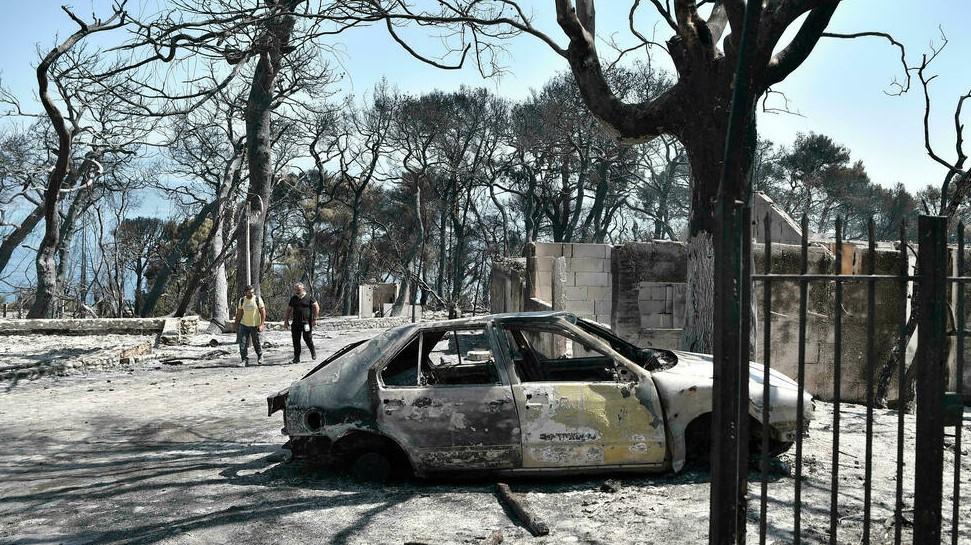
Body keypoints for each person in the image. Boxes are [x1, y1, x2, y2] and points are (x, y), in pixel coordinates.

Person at [283, 282, 319, 363]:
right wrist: (286, 320)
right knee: (296, 340)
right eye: (295, 290)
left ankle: (313, 351)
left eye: (298, 289)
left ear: (303, 289)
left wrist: (315, 319)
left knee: (307, 338)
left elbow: (316, 307)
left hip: (306, 323)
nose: (297, 291)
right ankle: (296, 358)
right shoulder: (293, 298)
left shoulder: (309, 297)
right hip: (295, 323)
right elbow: (288, 310)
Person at [234, 285, 266, 366]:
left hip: (255, 325)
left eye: (252, 292)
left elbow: (263, 312)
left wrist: (262, 324)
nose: (251, 294)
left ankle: (260, 356)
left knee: (256, 342)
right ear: (245, 292)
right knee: (243, 343)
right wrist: (236, 323)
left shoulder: (257, 299)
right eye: (249, 292)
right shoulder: (242, 300)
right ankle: (244, 360)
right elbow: (239, 313)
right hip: (244, 324)